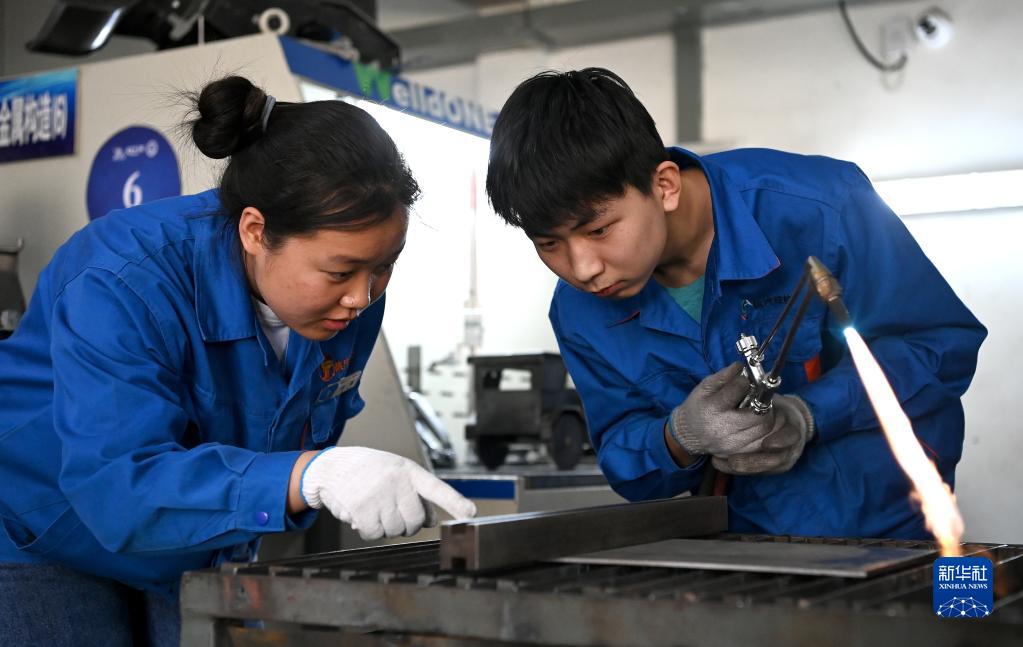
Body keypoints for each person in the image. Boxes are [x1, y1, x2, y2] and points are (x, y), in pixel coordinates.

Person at [0, 75, 476, 645]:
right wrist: (308, 475)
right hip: (43, 533)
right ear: (255, 231)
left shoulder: (351, 299)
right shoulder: (120, 279)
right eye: (339, 271)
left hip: (190, 545)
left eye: (384, 266)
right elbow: (117, 487)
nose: (362, 296)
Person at [485, 67, 985, 541]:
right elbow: (624, 460)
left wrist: (810, 414)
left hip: (901, 529)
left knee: (952, 604)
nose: (582, 268)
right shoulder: (579, 312)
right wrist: (680, 436)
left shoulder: (822, 207)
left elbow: (939, 347)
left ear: (664, 185)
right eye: (548, 243)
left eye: (598, 230)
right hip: (746, 548)